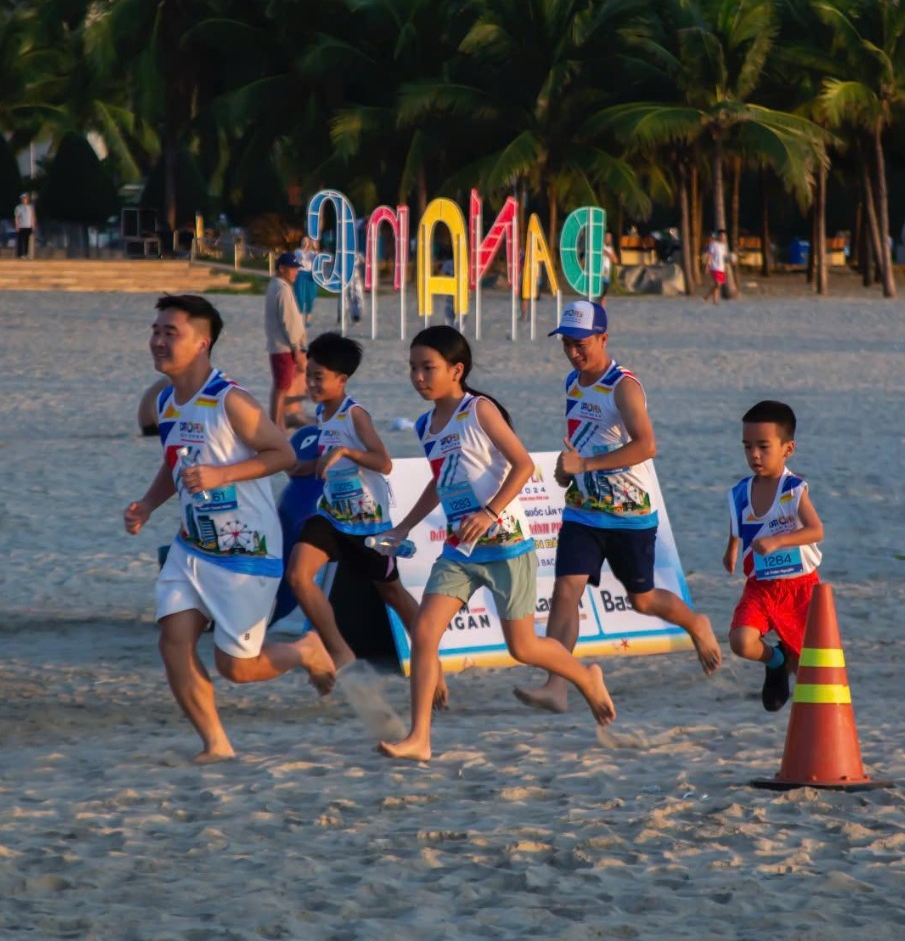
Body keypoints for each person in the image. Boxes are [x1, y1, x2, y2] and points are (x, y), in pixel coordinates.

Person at [377, 326, 615, 760]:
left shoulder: (479, 410)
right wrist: (405, 527)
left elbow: (523, 465)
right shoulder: (425, 424)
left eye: (428, 368)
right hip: (459, 551)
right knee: (426, 634)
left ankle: (585, 678)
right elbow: (440, 481)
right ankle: (420, 739)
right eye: (412, 368)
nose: (418, 377)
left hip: (507, 547)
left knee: (522, 648)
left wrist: (489, 513)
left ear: (457, 370)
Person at [123, 294, 337, 762]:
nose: (158, 341)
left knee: (237, 669)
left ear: (202, 343)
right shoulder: (162, 401)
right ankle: (216, 744)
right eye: (155, 330)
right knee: (173, 641)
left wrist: (223, 475)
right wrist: (150, 504)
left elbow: (283, 454)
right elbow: (177, 462)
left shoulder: (232, 401)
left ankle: (305, 650)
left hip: (247, 553)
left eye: (170, 333)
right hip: (193, 547)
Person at [513, 301, 720, 714]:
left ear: (603, 339)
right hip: (583, 511)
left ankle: (697, 623)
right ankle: (558, 684)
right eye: (567, 344)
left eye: (582, 344)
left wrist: (587, 464)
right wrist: (568, 471)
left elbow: (647, 445)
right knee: (565, 590)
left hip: (630, 514)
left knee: (641, 600)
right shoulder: (572, 382)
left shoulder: (623, 385)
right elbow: (584, 441)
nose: (574, 352)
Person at [280, 332, 450, 702]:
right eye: (308, 375)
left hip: (368, 524)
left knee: (393, 593)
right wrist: (296, 466)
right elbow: (325, 463)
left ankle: (431, 660)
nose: (310, 383)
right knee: (297, 574)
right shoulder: (322, 413)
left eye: (318, 377)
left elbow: (382, 461)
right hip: (330, 516)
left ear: (342, 380)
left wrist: (346, 452)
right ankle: (339, 650)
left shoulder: (355, 414)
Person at [723, 401, 825, 712]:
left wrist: (779, 541)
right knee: (741, 641)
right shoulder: (740, 492)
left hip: (799, 588)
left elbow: (816, 530)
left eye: (763, 446)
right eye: (747, 446)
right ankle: (774, 660)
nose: (754, 454)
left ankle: (796, 690)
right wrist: (731, 549)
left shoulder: (793, 490)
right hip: (761, 586)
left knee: (807, 670)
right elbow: (737, 524)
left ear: (787, 448)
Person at [265, 252, 310, 429]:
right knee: (281, 386)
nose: (296, 272)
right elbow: (289, 322)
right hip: (283, 347)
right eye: (292, 269)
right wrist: (297, 349)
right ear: (282, 269)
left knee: (281, 385)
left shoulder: (276, 286)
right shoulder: (281, 288)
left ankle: (280, 420)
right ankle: (276, 423)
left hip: (279, 346)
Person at [294, 236, 319, 328]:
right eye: (303, 241)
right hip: (300, 275)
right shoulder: (297, 251)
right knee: (300, 297)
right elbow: (300, 257)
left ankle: (307, 321)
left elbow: (317, 258)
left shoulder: (312, 253)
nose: (305, 243)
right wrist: (305, 249)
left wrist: (315, 247)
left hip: (310, 275)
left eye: (307, 241)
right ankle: (299, 320)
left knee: (310, 298)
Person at [702, 229, 729, 304]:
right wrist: (707, 266)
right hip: (714, 267)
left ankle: (715, 300)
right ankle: (707, 296)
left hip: (721, 267)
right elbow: (710, 255)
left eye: (724, 236)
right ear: (718, 236)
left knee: (718, 286)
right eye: (721, 236)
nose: (723, 237)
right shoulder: (713, 245)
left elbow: (724, 257)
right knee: (717, 284)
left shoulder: (724, 246)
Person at [14, 193, 37, 259]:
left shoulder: (30, 207)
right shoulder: (18, 207)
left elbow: (33, 217)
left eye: (25, 198)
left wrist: (33, 225)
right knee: (20, 241)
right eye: (23, 198)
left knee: (26, 241)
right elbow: (17, 217)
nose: (24, 199)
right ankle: (20, 255)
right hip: (21, 226)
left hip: (28, 226)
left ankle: (26, 254)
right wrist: (17, 226)